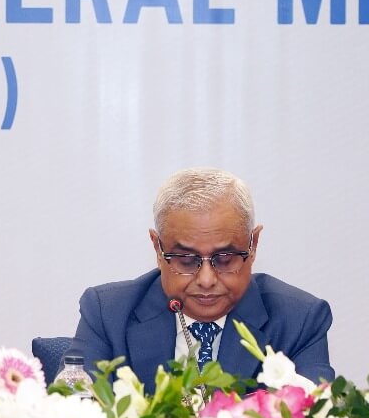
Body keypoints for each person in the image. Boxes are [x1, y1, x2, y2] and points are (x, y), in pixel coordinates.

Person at [66, 167, 333, 392]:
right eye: (186, 260)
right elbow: (73, 406)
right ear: (158, 248)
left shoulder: (300, 320)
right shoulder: (108, 313)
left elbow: (312, 415)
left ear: (253, 246)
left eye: (225, 259)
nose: (206, 279)